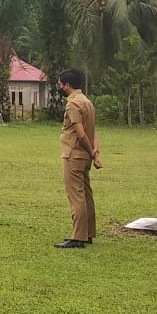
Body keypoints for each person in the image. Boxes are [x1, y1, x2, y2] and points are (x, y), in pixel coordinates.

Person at [55, 68, 101, 248]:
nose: (59, 87)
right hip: (84, 156)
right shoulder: (87, 102)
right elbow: (93, 131)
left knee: (76, 196)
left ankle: (78, 237)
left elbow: (81, 133)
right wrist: (95, 152)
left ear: (67, 85)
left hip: (73, 154)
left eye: (60, 84)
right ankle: (88, 232)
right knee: (86, 194)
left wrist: (91, 151)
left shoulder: (73, 104)